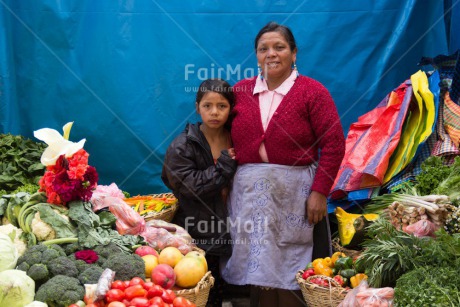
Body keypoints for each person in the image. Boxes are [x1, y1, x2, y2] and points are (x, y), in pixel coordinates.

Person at [221, 22, 346, 307]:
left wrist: (320, 191)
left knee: (291, 264)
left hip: (295, 195)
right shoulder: (240, 92)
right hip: (250, 196)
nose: (271, 54)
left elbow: (334, 144)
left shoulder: (312, 92)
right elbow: (222, 132)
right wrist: (224, 171)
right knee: (256, 264)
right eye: (263, 49)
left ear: (294, 53)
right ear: (256, 55)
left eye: (279, 47)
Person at [161, 78, 237, 307]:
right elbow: (188, 186)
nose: (215, 112)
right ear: (197, 108)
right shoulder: (183, 145)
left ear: (231, 109)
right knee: (201, 288)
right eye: (207, 106)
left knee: (222, 286)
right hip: (199, 231)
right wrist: (223, 166)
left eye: (222, 106)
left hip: (234, 225)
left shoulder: (237, 136)